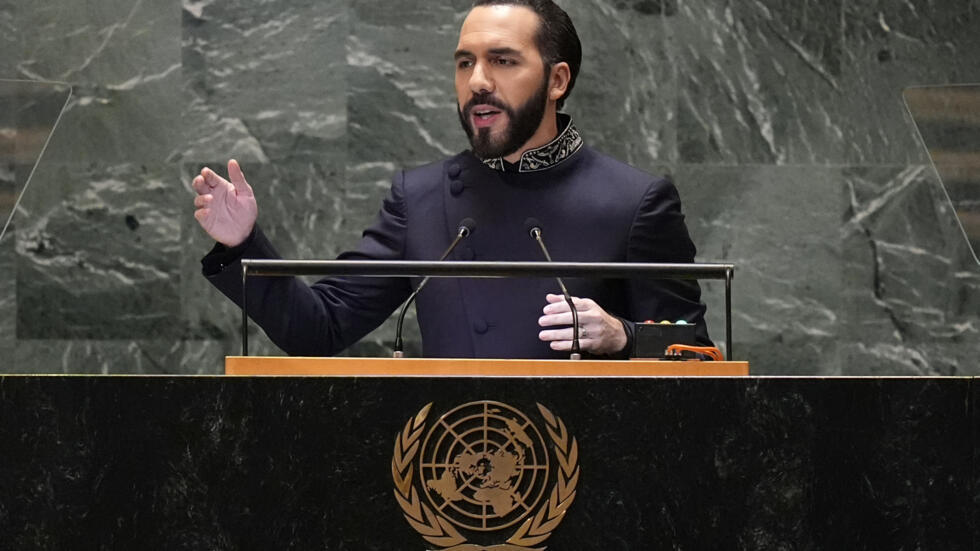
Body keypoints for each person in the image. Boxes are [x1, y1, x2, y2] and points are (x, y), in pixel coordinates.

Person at [192, 0, 710, 359]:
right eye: (465, 64)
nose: (477, 82)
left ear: (557, 80)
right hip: (448, 476)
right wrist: (241, 244)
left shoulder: (635, 201)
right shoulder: (420, 198)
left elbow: (698, 355)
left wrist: (622, 335)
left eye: (502, 61)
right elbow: (319, 328)